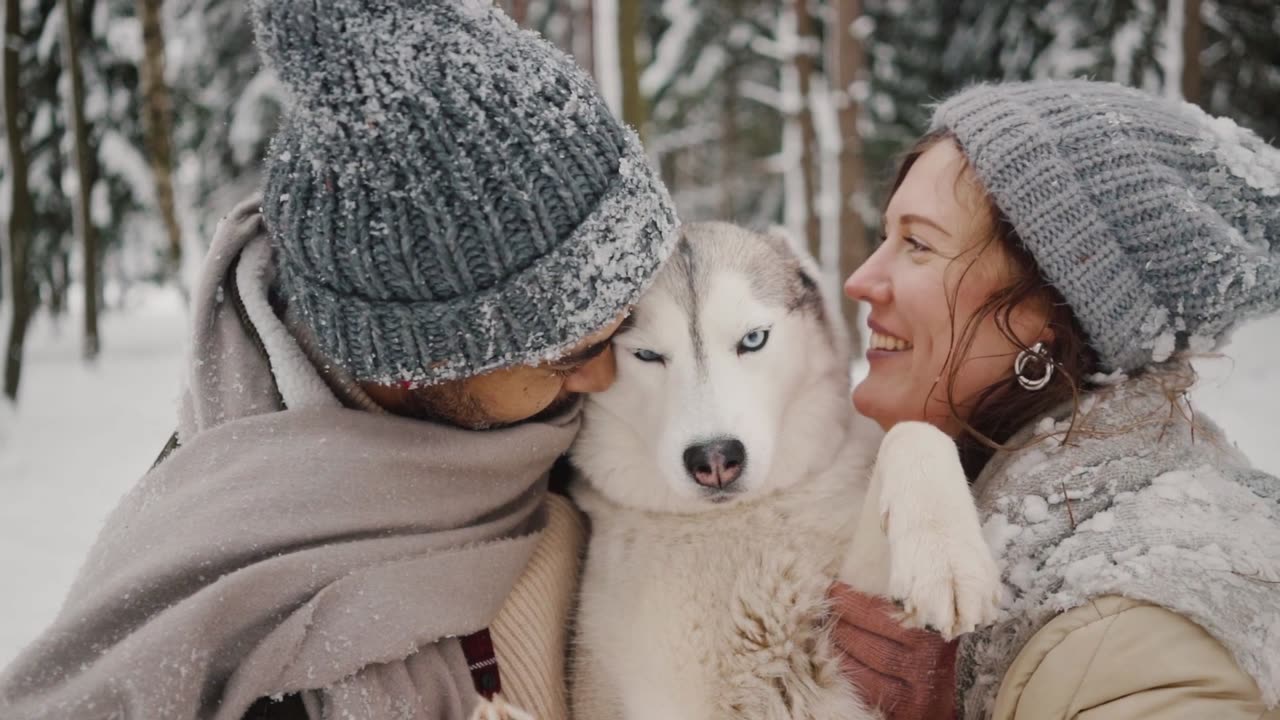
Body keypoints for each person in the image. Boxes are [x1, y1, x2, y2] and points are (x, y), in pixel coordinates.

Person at [0, 1, 677, 719]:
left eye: (623, 326)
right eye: (571, 355)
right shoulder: (249, 632)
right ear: (422, 363)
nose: (606, 377)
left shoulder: (576, 425)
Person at [830, 79, 1280, 719]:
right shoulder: (949, 507)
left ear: (1049, 314)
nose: (860, 279)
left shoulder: (1128, 624)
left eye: (918, 244)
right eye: (886, 236)